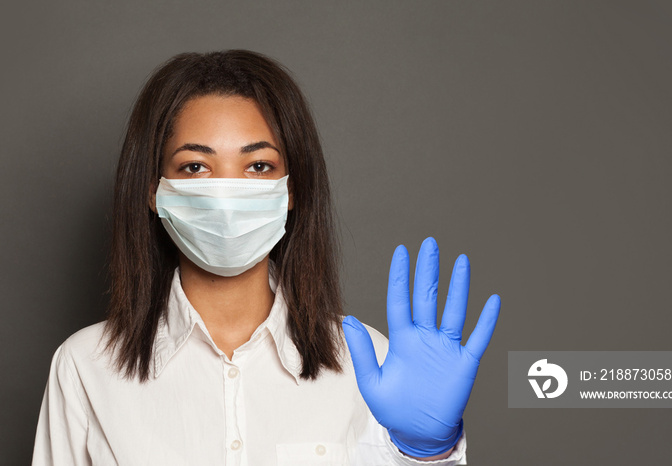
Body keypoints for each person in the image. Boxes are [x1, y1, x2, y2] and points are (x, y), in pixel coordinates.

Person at [31, 50, 501, 465]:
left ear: (291, 190)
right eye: (195, 166)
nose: (227, 193)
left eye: (258, 166)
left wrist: (428, 454)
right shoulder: (85, 367)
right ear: (155, 192)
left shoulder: (371, 365)